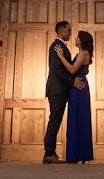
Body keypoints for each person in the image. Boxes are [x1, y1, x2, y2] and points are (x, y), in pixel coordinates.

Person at [43, 21, 85, 164]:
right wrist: (72, 81)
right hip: (57, 90)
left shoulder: (60, 46)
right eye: (68, 31)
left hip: (59, 90)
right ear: (61, 31)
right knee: (54, 120)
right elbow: (57, 70)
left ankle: (50, 152)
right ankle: (49, 153)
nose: (70, 33)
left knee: (55, 120)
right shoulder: (57, 46)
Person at [53, 30, 94, 164]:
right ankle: (77, 155)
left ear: (81, 41)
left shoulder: (83, 54)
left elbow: (71, 69)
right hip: (76, 88)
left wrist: (60, 56)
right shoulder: (82, 53)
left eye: (77, 38)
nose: (74, 39)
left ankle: (79, 154)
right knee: (76, 119)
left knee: (79, 119)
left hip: (79, 88)